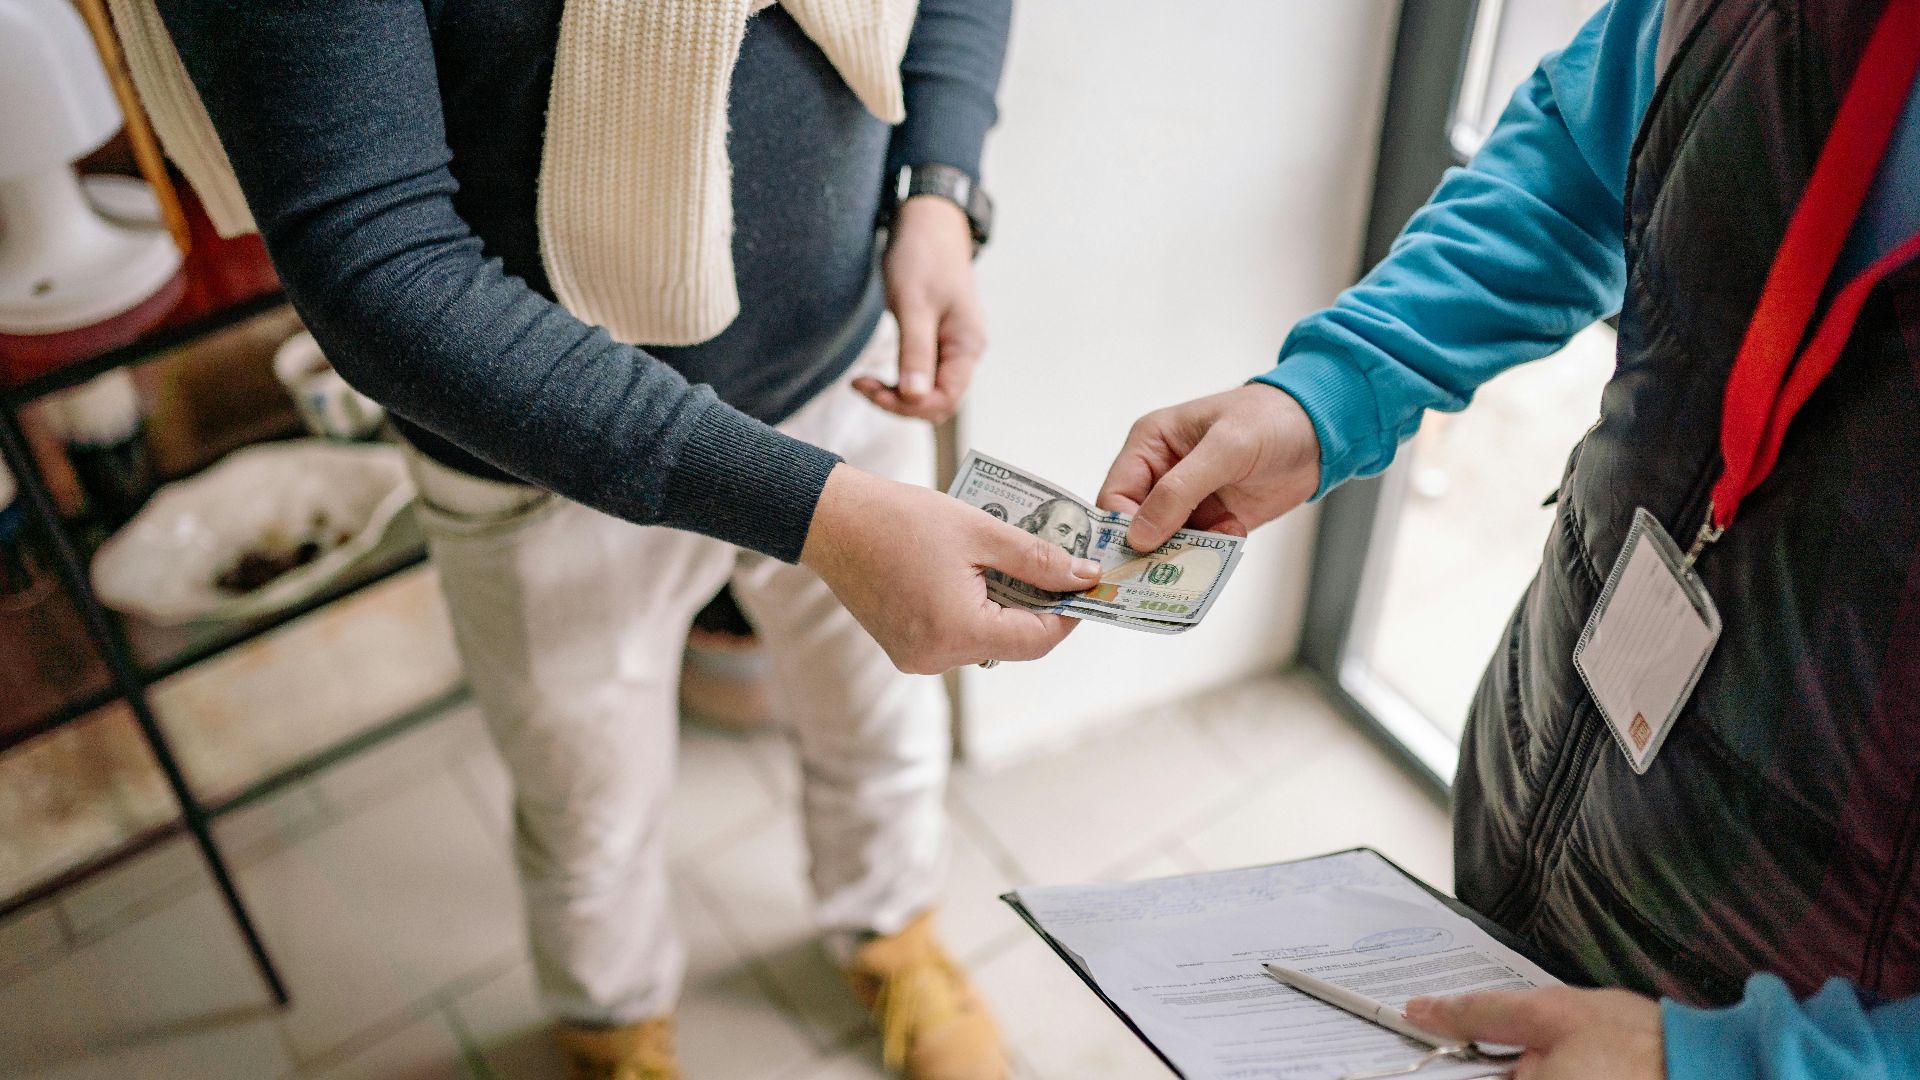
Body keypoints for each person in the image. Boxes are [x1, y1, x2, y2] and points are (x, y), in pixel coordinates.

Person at [116, 2, 1099, 1077]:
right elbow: (373, 255)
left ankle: (891, 935)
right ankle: (613, 1029)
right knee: (589, 811)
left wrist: (940, 188)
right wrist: (817, 513)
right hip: (537, 462)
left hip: (846, 372)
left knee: (882, 721)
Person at [1099, 0, 1920, 1076]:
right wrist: (1336, 386)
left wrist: (1726, 1064)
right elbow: (1586, 151)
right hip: (1542, 775)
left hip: (1786, 993)